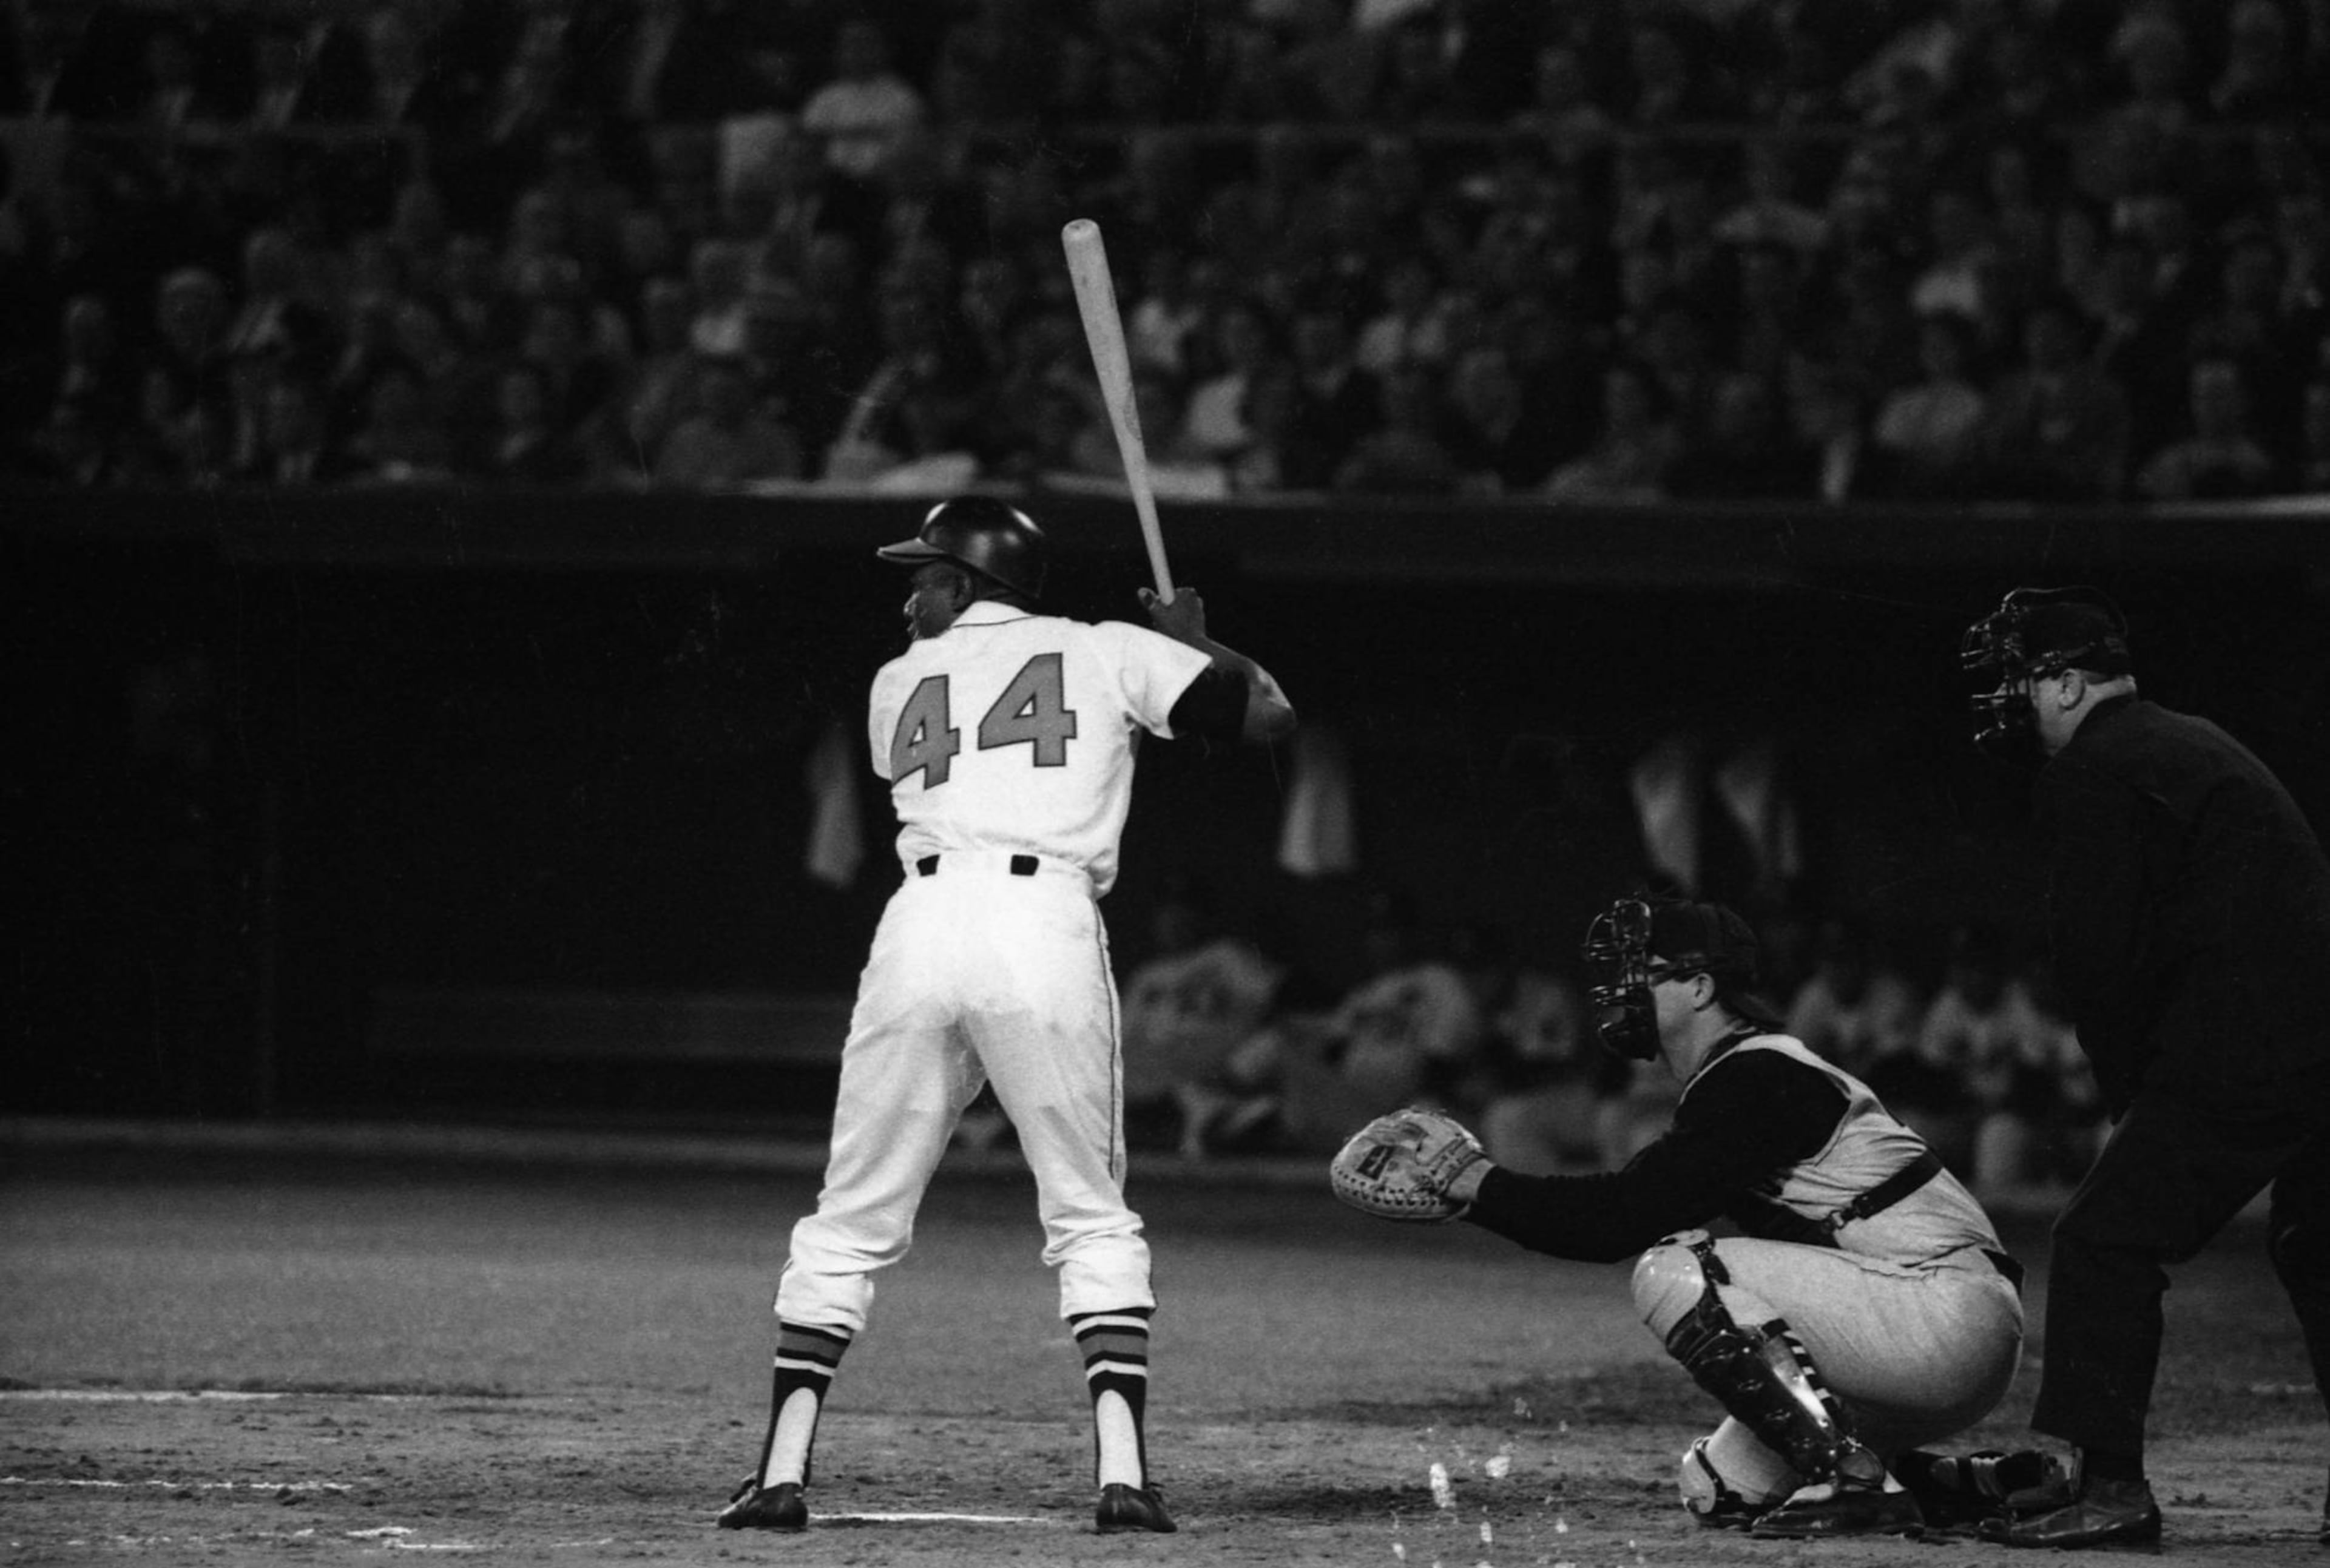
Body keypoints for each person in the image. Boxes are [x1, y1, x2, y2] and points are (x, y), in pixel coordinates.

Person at [718, 496, 1296, 1535]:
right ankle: (1123, 1476)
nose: (910, 594)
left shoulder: (897, 682)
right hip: (1041, 921)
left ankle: (780, 1470)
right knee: (1089, 1207)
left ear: (972, 579)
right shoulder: (1106, 646)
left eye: (927, 574)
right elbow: (1270, 718)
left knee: (851, 1210)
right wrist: (1192, 644)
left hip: (922, 922)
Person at [1334, 894, 2035, 1540]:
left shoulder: (1756, 1073)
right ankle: (1968, 1484)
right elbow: (1610, 1213)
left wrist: (1476, 1183)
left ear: (1702, 987)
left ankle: (1852, 1479)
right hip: (1909, 1324)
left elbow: (1616, 1220)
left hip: (1937, 1312)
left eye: (1644, 973)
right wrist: (1475, 1197)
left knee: (1678, 1266)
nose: (1620, 990)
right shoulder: (1746, 1073)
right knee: (1720, 1488)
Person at [1958, 586, 2330, 1549]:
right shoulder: (2189, 739)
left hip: (2252, 1042)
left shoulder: (2098, 766)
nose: (2014, 700)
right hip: (2309, 1034)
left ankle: (2112, 1489)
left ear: (2072, 686)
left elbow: (2099, 958)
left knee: (2105, 1240)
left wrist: (2132, 1092)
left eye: (2026, 681)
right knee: (2319, 1249)